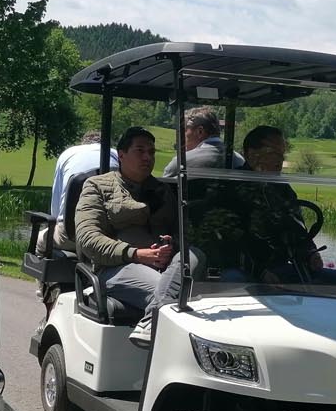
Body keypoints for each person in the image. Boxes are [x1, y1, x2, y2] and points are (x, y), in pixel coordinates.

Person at [74, 127, 200, 347]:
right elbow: (88, 238)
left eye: (151, 152)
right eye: (140, 151)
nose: (147, 157)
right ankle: (155, 326)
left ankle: (153, 325)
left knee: (195, 255)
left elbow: (182, 232)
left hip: (164, 266)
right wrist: (136, 254)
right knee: (175, 294)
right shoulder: (97, 186)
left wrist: (171, 243)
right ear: (121, 155)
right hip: (116, 267)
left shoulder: (163, 191)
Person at [233, 126, 336, 285]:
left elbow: (296, 228)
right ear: (252, 155)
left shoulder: (281, 189)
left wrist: (310, 252)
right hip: (248, 269)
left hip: (280, 267)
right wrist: (259, 271)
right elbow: (228, 242)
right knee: (236, 279)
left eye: (282, 154)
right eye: (274, 153)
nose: (280, 161)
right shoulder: (233, 188)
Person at [48, 132, 121, 251]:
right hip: (113, 236)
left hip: (72, 236)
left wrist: (55, 222)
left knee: (40, 241)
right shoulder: (117, 155)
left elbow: (56, 208)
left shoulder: (68, 153)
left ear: (84, 142)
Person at [160, 107, 246, 178]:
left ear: (200, 131)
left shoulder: (181, 162)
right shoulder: (239, 160)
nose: (182, 136)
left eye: (185, 130)